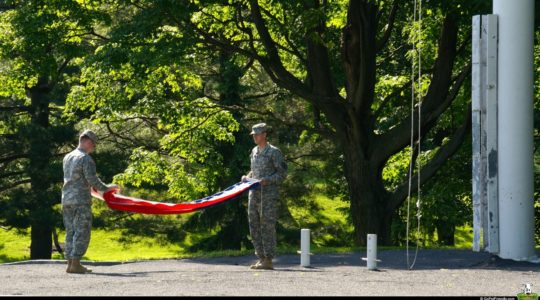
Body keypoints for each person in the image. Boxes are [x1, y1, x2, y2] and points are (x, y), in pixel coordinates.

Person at [61, 129, 119, 274]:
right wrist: (107, 189)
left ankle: (70, 264)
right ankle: (75, 263)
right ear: (87, 141)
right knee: (82, 231)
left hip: (66, 199)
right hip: (80, 200)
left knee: (70, 231)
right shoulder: (85, 159)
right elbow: (92, 180)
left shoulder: (67, 157)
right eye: (93, 145)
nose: (93, 148)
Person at [241, 123, 287, 270]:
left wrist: (268, 180)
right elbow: (254, 171)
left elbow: (282, 173)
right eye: (253, 134)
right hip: (254, 194)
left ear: (265, 134)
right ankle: (261, 258)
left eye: (257, 134)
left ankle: (268, 258)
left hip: (268, 195)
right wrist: (246, 177)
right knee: (253, 225)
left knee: (267, 226)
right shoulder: (254, 151)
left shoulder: (274, 152)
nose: (255, 136)